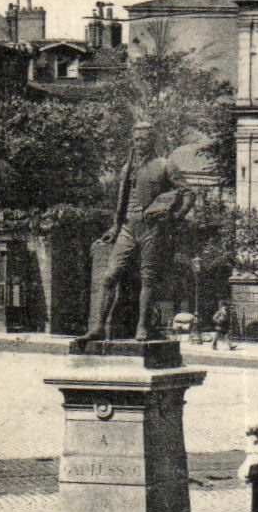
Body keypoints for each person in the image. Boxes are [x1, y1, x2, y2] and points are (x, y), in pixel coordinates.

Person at [76, 120, 196, 346]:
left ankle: (142, 326)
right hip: (128, 228)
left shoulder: (164, 165)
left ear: (153, 141)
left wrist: (174, 216)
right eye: (137, 139)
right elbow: (122, 200)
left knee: (147, 277)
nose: (140, 143)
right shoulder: (128, 166)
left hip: (152, 228)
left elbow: (188, 193)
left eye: (145, 139)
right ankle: (99, 327)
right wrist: (115, 225)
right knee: (111, 275)